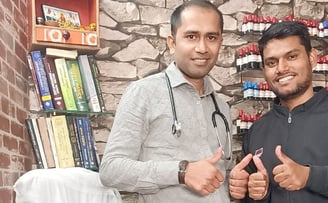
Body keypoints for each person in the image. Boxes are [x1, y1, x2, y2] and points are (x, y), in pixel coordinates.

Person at [99, 0, 233, 202]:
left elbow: (218, 176)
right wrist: (181, 172)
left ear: (220, 43)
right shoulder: (143, 93)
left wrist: (238, 181)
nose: (202, 47)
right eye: (191, 36)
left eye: (211, 37)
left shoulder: (221, 108)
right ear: (172, 43)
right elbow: (111, 170)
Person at [229, 21, 328, 203]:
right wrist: (257, 193)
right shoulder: (257, 131)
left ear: (312, 58)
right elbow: (251, 198)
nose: (281, 69)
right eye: (272, 62)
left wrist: (309, 176)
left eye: (291, 57)